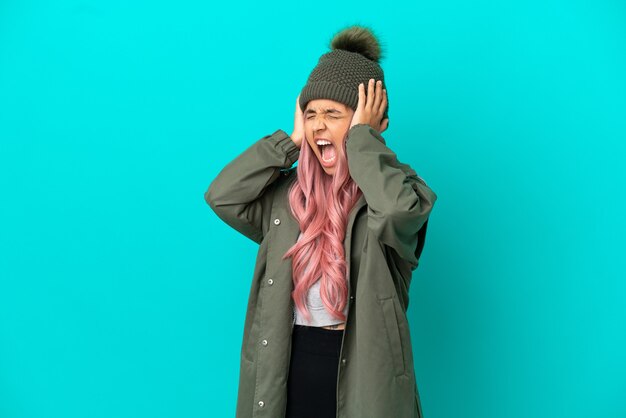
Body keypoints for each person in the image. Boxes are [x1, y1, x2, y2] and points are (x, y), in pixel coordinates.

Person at [205, 25, 437, 418]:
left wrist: (364, 140)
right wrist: (291, 141)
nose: (318, 126)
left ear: (370, 122)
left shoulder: (399, 191)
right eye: (311, 113)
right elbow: (222, 195)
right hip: (287, 370)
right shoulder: (287, 198)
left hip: (365, 380)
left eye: (334, 114)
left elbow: (399, 214)